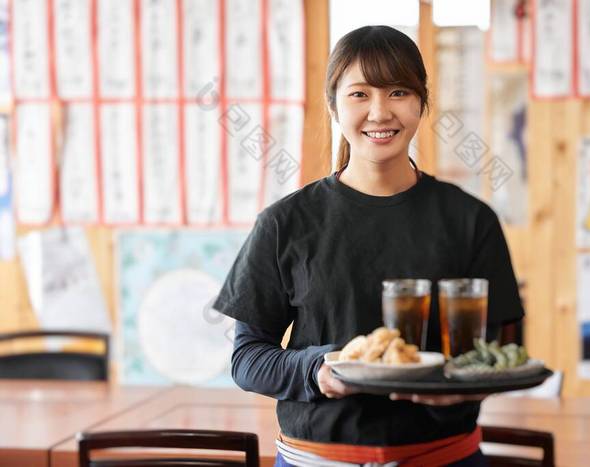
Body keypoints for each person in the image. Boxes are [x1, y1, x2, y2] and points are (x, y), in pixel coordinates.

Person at [214, 25, 524, 467]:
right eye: (360, 94)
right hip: (315, 459)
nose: (380, 112)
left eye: (398, 92)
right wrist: (316, 370)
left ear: (422, 102)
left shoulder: (470, 221)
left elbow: (504, 349)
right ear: (333, 105)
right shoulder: (285, 223)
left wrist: (463, 386)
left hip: (444, 458)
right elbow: (247, 358)